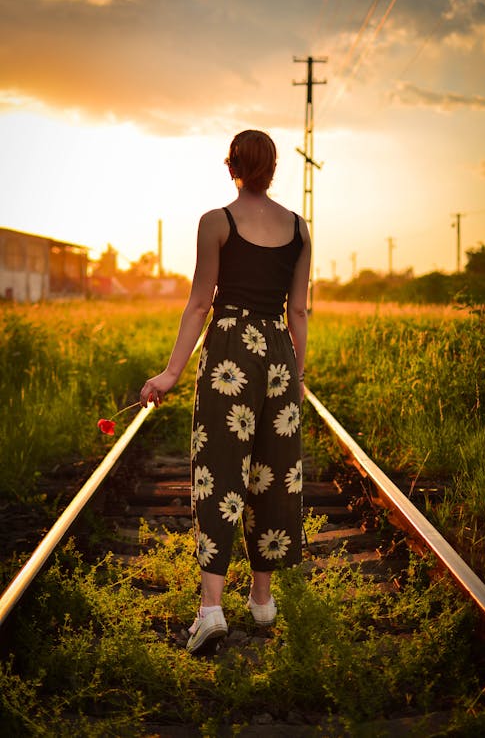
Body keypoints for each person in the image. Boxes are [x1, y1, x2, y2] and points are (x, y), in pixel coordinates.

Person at [140, 129, 311, 654]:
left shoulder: (216, 222)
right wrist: (296, 377)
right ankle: (262, 598)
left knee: (218, 472)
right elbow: (298, 310)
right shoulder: (301, 228)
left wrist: (170, 372)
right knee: (273, 474)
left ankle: (211, 608)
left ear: (230, 164)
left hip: (230, 351)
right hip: (279, 355)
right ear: (274, 167)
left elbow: (199, 303)